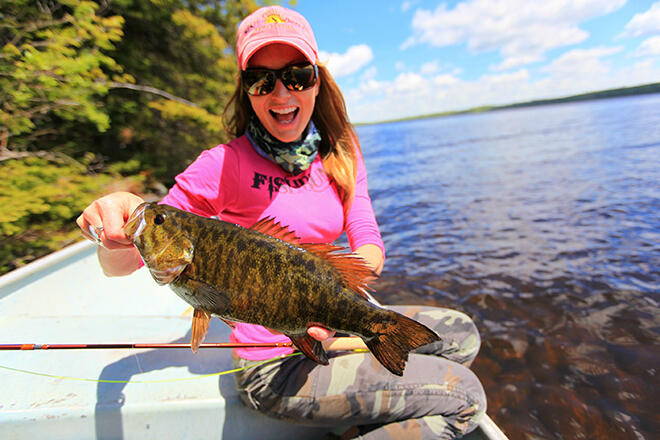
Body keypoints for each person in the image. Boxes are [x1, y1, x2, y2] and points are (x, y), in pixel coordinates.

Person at [77, 5, 486, 439]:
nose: (281, 94)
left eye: (297, 75)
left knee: (463, 335)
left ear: (317, 79)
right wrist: (115, 226)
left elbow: (364, 232)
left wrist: (342, 292)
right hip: (271, 366)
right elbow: (121, 264)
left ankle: (366, 408)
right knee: (467, 399)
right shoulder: (221, 165)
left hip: (327, 321)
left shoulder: (341, 149)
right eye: (261, 79)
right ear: (245, 90)